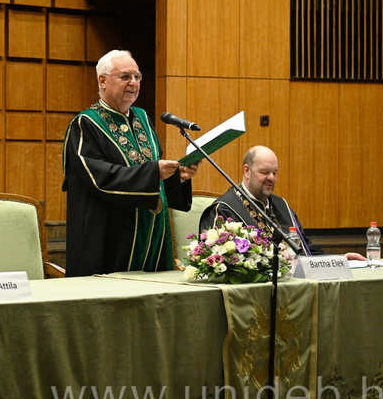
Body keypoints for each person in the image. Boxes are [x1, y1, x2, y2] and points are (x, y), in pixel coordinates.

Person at [62, 50, 199, 276]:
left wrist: (178, 176)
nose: (133, 83)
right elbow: (99, 178)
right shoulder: (86, 124)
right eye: (125, 77)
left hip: (152, 232)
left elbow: (152, 168)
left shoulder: (141, 118)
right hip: (111, 235)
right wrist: (153, 172)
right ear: (102, 80)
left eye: (137, 76)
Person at [199, 145, 366, 260]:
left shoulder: (281, 205)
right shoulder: (224, 209)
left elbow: (306, 248)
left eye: (275, 172)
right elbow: (215, 259)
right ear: (247, 171)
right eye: (265, 172)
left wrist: (338, 260)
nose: (271, 178)